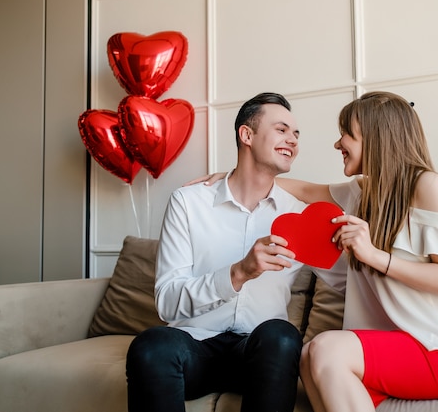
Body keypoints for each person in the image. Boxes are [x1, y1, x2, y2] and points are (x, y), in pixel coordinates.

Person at [194, 91, 438, 411]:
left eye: (346, 135)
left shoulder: (428, 186)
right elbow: (306, 189)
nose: (338, 144)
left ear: (376, 138)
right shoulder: (361, 192)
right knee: (309, 355)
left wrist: (373, 255)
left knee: (326, 349)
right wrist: (233, 179)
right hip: (403, 347)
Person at [126, 92, 311, 412]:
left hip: (261, 357)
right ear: (247, 135)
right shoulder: (189, 202)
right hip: (195, 350)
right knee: (151, 345)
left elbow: (345, 280)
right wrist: (237, 273)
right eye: (282, 129)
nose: (292, 139)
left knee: (282, 336)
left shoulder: (300, 217)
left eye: (296, 133)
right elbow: (167, 303)